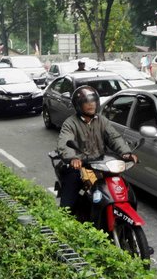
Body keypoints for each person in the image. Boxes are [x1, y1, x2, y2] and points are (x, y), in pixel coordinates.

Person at [56, 86, 138, 216]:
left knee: (120, 188)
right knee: (68, 205)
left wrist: (126, 153)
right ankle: (63, 224)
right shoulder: (70, 123)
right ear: (78, 105)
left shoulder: (102, 120)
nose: (91, 104)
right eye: (86, 102)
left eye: (93, 101)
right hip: (78, 165)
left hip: (100, 165)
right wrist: (72, 158)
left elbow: (114, 137)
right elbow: (65, 143)